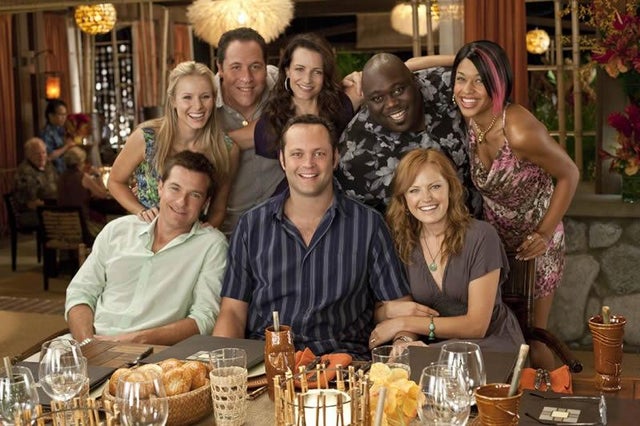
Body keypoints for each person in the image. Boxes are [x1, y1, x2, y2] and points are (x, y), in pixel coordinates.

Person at [213, 115, 410, 359]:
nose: (308, 163)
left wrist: (403, 342)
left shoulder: (369, 224)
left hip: (344, 365)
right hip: (269, 364)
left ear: (335, 158)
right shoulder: (251, 225)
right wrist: (224, 366)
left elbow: (400, 306)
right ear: (282, 160)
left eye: (319, 154)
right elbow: (232, 312)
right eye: (297, 154)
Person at [451, 40, 579, 368]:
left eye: (480, 80)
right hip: (494, 241)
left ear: (498, 83)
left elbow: (570, 174)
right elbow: (419, 68)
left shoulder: (519, 131)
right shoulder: (471, 117)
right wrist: (460, 59)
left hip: (535, 243)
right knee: (502, 335)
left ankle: (559, 397)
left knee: (533, 340)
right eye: (461, 79)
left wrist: (544, 233)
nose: (467, 90)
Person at [65, 151, 228, 345]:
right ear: (160, 187)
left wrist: (136, 340)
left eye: (194, 195)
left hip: (152, 354)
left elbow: (204, 318)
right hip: (87, 344)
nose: (181, 202)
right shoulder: (118, 230)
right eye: (175, 188)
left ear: (205, 203)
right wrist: (88, 344)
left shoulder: (211, 245)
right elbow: (80, 293)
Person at [370, 148, 525, 352]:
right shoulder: (402, 242)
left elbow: (477, 326)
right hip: (435, 350)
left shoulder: (481, 236)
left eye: (435, 187)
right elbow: (397, 310)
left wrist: (403, 323)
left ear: (451, 189)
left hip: (490, 346)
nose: (426, 198)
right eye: (414, 190)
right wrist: (403, 340)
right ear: (404, 199)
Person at [337, 53, 482, 217]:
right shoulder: (355, 154)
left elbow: (484, 67)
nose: (391, 103)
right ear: (367, 102)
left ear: (415, 81)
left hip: (485, 218)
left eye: (398, 90)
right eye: (377, 98)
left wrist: (417, 63)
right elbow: (352, 217)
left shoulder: (444, 85)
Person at [108, 61, 239, 228]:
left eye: (205, 96)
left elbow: (218, 209)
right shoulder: (146, 138)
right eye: (187, 97)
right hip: (144, 233)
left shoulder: (226, 149)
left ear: (214, 99)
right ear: (173, 101)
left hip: (193, 237)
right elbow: (115, 181)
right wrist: (141, 211)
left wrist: (205, 235)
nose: (198, 106)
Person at [252, 32, 361, 193]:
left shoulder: (341, 105)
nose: (307, 79)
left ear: (325, 75)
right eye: (299, 69)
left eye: (316, 72)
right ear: (287, 70)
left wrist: (360, 76)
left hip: (343, 197)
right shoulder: (269, 123)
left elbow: (385, 82)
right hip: (291, 199)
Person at [214, 27, 285, 236]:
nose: (246, 78)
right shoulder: (201, 100)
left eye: (255, 66)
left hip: (283, 225)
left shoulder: (283, 86)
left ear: (266, 66)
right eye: (236, 67)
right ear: (220, 67)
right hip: (228, 231)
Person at [57, 146, 109, 237]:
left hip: (62, 225)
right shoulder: (83, 177)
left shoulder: (61, 177)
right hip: (82, 226)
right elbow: (103, 194)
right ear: (80, 162)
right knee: (109, 225)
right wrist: (98, 175)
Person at [13, 137, 58, 227]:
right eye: (37, 154)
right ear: (28, 155)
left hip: (50, 207)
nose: (42, 156)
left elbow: (58, 183)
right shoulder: (25, 172)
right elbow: (32, 203)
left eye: (43, 152)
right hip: (30, 213)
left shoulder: (48, 165)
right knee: (66, 218)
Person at [41, 99, 75, 174]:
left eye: (65, 114)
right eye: (60, 115)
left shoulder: (61, 129)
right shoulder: (46, 133)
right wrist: (67, 146)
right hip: (53, 173)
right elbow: (49, 156)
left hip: (65, 171)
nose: (64, 117)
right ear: (50, 116)